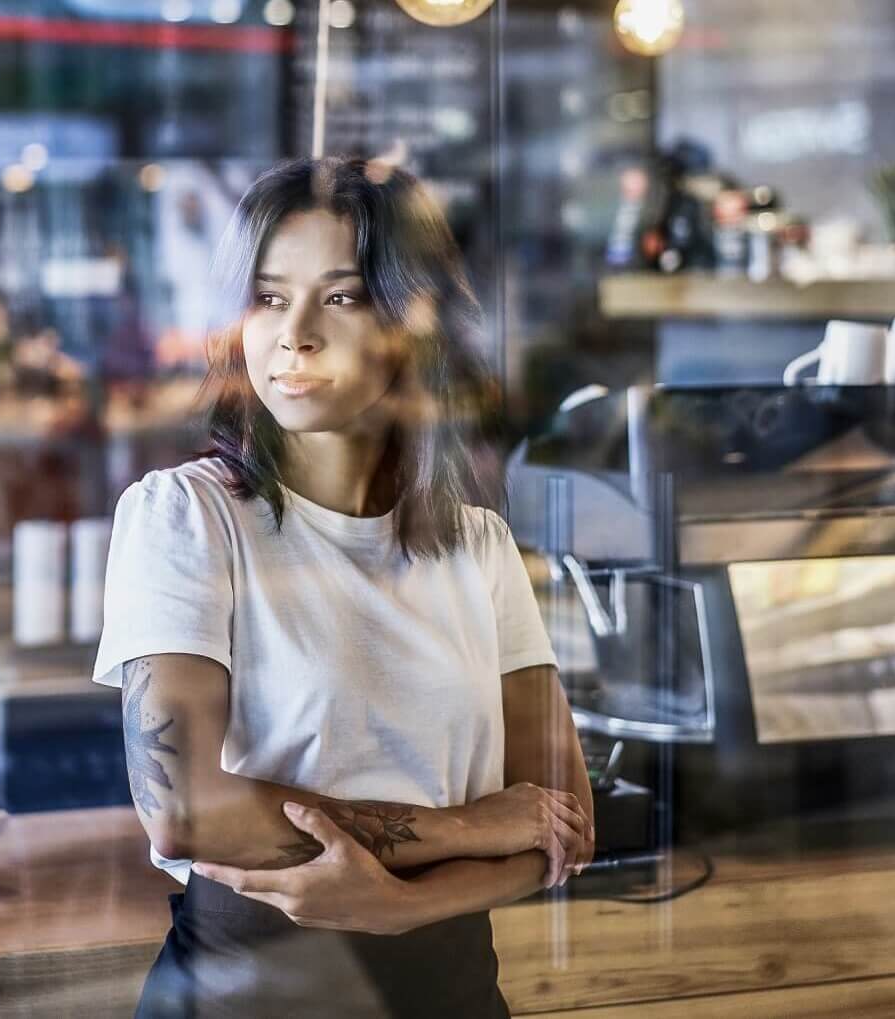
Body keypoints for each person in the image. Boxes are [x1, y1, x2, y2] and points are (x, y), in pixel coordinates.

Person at [90, 157, 596, 1018]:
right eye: (268, 295)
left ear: (413, 321)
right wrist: (469, 829)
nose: (295, 334)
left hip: (454, 990)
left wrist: (400, 906)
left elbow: (564, 819)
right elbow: (184, 808)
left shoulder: (479, 543)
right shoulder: (184, 516)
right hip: (250, 991)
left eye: (342, 295)